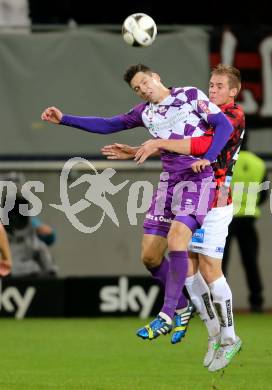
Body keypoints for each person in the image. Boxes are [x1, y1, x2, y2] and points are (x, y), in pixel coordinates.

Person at [41, 63, 233, 346]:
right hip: (169, 183)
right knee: (150, 257)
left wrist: (210, 157)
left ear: (156, 76)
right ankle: (182, 306)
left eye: (144, 82)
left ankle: (167, 314)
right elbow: (108, 124)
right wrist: (65, 119)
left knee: (177, 240)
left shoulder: (190, 96)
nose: (143, 89)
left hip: (198, 178)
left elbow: (223, 125)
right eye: (137, 88)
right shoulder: (146, 112)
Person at [102, 64, 244, 371]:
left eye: (220, 86)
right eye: (211, 84)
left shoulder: (232, 116)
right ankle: (213, 334)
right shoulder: (195, 108)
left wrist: (156, 144)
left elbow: (201, 144)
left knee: (208, 268)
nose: (213, 90)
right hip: (186, 192)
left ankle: (229, 336)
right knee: (187, 265)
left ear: (233, 92)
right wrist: (145, 148)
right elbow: (176, 138)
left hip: (217, 198)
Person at [222, 147, 267, 313]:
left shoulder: (224, 159)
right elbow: (264, 195)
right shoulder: (258, 163)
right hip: (248, 219)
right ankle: (257, 301)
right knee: (251, 261)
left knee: (219, 263)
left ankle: (218, 303)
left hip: (225, 218)